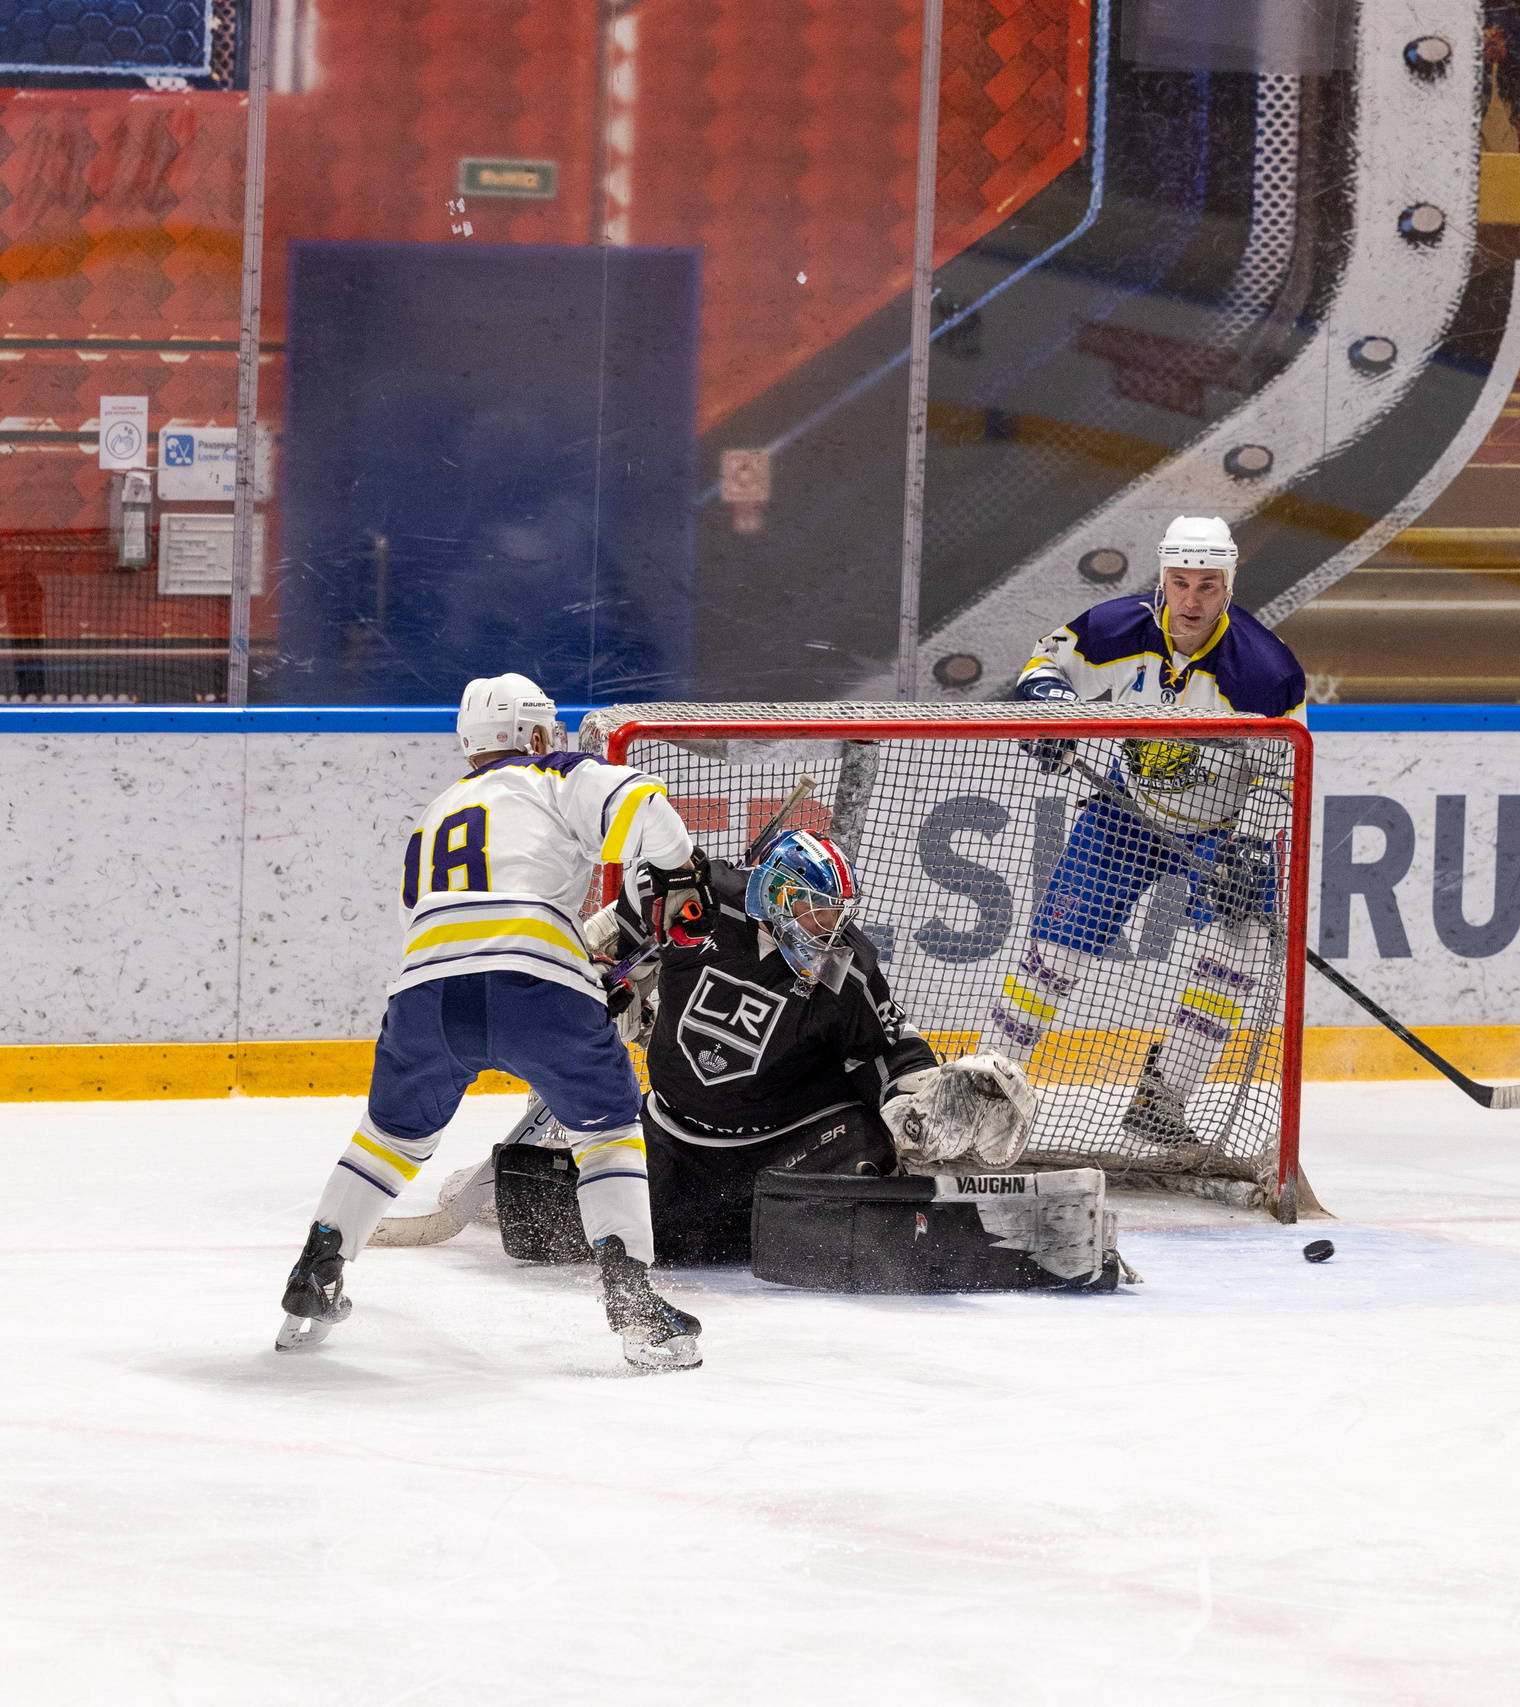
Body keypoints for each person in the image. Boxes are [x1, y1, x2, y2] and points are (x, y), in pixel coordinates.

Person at [275, 672, 715, 1369]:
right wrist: (683, 872)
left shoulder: (433, 814)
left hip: (424, 995)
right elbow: (644, 802)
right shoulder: (554, 774)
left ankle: (316, 1268)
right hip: (534, 986)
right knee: (607, 1130)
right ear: (534, 735)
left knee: (390, 1137)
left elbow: (449, 929)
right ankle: (634, 1301)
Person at [990, 515, 1306, 1157]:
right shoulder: (1118, 628)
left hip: (1220, 830)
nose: (1191, 600)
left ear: (1229, 585)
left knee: (1243, 946)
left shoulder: (1265, 672)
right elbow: (1044, 664)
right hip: (1125, 813)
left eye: (1207, 586)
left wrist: (1249, 850)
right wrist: (1054, 716)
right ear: (1163, 578)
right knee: (1054, 954)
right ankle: (985, 1095)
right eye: (1180, 583)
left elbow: (1284, 778)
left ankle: (1161, 1103)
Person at [598, 831, 1038, 1264]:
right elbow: (629, 908)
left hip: (786, 1150)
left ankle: (908, 1230)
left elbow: (885, 1050)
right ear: (779, 895)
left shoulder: (845, 968)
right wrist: (602, 968)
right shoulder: (706, 901)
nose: (832, 929)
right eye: (819, 912)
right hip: (674, 1136)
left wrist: (926, 1098)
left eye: (839, 913)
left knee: (864, 1143)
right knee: (607, 1227)